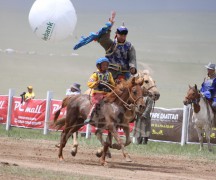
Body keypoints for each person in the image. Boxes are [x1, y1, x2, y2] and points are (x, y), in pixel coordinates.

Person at [97, 11, 137, 82]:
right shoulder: (111, 44)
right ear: (116, 34)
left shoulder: (129, 46)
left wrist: (132, 67)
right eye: (121, 35)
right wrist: (110, 26)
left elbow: (132, 58)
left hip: (125, 73)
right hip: (110, 72)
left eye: (124, 35)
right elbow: (103, 39)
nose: (122, 37)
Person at [84, 57, 115, 124]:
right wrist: (96, 83)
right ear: (99, 66)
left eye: (106, 65)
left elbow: (113, 83)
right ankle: (89, 117)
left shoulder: (109, 74)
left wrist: (112, 84)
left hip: (107, 93)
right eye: (103, 65)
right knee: (96, 103)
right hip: (98, 93)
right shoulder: (95, 74)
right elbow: (89, 83)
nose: (105, 66)